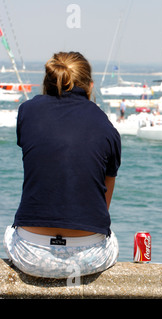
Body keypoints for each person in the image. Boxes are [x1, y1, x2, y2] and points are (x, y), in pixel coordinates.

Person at [3, 52, 121, 279]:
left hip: (31, 253)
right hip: (89, 256)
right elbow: (103, 204)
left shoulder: (27, 112)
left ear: (47, 81)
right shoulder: (106, 126)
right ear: (90, 86)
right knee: (111, 239)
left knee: (10, 232)